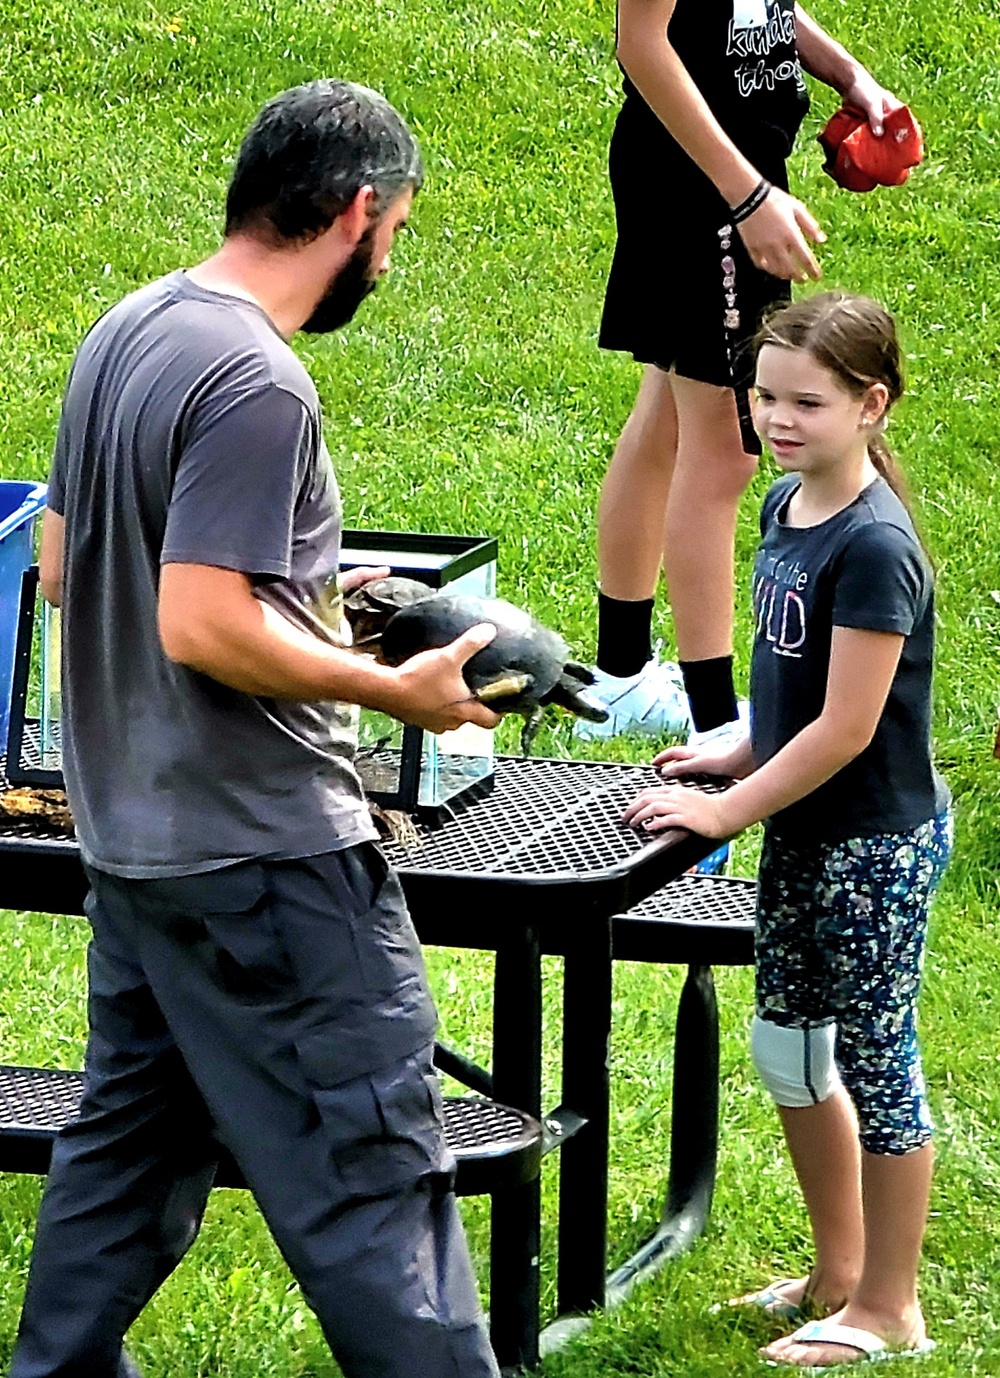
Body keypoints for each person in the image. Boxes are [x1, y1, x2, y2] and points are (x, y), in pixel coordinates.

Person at [13, 79, 503, 1378]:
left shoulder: (129, 329)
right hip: (268, 863)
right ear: (357, 214)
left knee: (125, 1162)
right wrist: (397, 689)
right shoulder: (255, 378)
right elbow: (204, 624)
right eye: (394, 231)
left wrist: (305, 612)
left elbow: (62, 568)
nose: (387, 259)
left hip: (140, 851)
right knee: (372, 1184)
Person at [623, 292, 952, 1367]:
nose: (777, 418)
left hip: (871, 844)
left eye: (806, 401)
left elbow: (849, 729)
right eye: (765, 396)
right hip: (802, 833)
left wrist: (724, 807)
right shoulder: (784, 510)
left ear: (872, 405)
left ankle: (890, 1308)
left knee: (873, 1057)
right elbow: (793, 697)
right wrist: (734, 744)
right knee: (788, 1051)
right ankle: (837, 1273)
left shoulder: (873, 547)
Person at [579, 0, 904, 743]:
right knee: (724, 452)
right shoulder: (727, 189)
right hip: (704, 186)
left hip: (720, 175)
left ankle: (620, 678)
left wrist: (845, 74)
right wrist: (746, 195)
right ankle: (715, 719)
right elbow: (642, 44)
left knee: (664, 416)